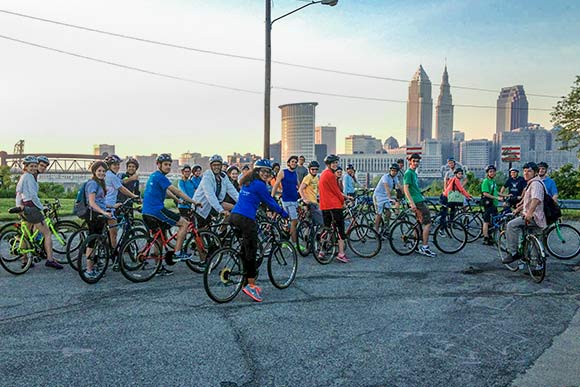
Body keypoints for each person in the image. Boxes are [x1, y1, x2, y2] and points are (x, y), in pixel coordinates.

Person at [230, 159, 289, 302]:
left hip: (234, 216)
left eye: (268, 172)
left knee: (245, 249)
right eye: (262, 171)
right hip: (246, 219)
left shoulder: (247, 181)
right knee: (251, 251)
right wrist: (283, 213)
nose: (265, 174)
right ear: (257, 171)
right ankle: (251, 286)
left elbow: (255, 201)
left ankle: (243, 278)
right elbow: (269, 201)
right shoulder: (259, 185)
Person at [142, 154, 201, 266]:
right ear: (158, 165)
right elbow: (177, 192)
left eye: (169, 164)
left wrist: (177, 201)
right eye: (165, 164)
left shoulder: (154, 176)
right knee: (184, 223)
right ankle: (177, 253)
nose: (168, 167)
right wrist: (193, 202)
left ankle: (157, 267)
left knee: (159, 239)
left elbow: (167, 191)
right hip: (156, 210)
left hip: (146, 211)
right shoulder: (161, 177)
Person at [15, 156, 63, 269]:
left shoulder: (25, 176)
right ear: (26, 167)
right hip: (32, 208)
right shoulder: (30, 177)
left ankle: (25, 260)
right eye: (33, 166)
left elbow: (18, 191)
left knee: (26, 234)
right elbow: (32, 195)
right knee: (47, 233)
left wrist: (19, 206)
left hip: (25, 207)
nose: (35, 168)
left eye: (35, 166)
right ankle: (50, 260)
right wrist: (41, 207)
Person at [502, 162, 547, 264]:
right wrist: (519, 209)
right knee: (534, 240)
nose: (526, 173)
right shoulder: (533, 183)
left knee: (511, 225)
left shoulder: (535, 184)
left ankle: (513, 253)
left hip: (533, 217)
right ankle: (535, 266)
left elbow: (536, 199)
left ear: (535, 173)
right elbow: (530, 201)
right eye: (525, 171)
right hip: (538, 218)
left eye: (529, 171)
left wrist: (529, 213)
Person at [104, 155, 140, 261]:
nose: (117, 166)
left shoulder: (135, 180)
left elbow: (136, 192)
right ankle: (115, 256)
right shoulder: (118, 175)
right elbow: (121, 187)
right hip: (114, 205)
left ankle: (119, 250)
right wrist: (133, 194)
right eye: (115, 165)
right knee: (113, 232)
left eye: (118, 165)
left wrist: (137, 198)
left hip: (121, 205)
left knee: (116, 230)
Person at [83, 161, 113, 278]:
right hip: (94, 215)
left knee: (97, 240)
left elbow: (100, 202)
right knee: (92, 242)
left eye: (103, 171)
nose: (101, 173)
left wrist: (111, 207)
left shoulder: (100, 183)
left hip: (100, 215)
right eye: (99, 171)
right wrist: (103, 212)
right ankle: (89, 270)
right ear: (94, 171)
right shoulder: (92, 183)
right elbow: (92, 203)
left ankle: (95, 265)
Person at [319, 155, 351, 263]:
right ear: (328, 164)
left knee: (326, 228)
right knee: (340, 231)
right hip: (334, 206)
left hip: (325, 205)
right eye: (333, 163)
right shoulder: (331, 175)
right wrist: (343, 200)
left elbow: (329, 190)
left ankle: (322, 251)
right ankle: (341, 254)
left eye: (336, 163)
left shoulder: (323, 174)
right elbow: (336, 191)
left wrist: (344, 197)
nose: (335, 164)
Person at [193, 154, 239, 228]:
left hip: (215, 203)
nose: (216, 167)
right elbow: (210, 195)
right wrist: (221, 210)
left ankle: (220, 232)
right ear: (211, 166)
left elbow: (232, 191)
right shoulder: (207, 177)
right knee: (203, 231)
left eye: (218, 165)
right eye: (214, 165)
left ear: (221, 165)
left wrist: (243, 203)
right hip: (202, 206)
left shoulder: (223, 176)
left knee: (235, 209)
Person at [403, 153, 436, 257]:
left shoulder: (414, 173)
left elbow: (414, 189)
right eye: (414, 161)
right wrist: (411, 203)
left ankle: (415, 244)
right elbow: (406, 188)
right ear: (410, 162)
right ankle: (424, 247)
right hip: (416, 202)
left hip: (418, 199)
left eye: (417, 161)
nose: (416, 163)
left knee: (418, 223)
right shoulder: (408, 173)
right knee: (428, 223)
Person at [271, 155, 300, 243]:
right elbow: (276, 184)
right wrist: (272, 196)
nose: (294, 163)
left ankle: (285, 239)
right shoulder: (283, 172)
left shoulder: (295, 173)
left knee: (289, 222)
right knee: (294, 221)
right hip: (287, 200)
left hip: (294, 199)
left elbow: (299, 185)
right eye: (292, 162)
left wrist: (303, 195)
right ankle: (293, 243)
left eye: (295, 162)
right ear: (288, 163)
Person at [481, 164, 506, 245]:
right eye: (490, 172)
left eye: (493, 172)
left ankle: (490, 235)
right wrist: (496, 198)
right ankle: (486, 237)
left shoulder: (493, 181)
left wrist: (506, 195)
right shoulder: (486, 181)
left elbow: (496, 192)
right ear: (487, 173)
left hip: (493, 204)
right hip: (488, 204)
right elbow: (485, 193)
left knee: (494, 220)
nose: (492, 173)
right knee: (486, 221)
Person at [373, 164, 400, 234]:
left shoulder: (395, 178)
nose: (394, 172)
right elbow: (387, 188)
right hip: (378, 196)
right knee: (379, 214)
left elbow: (400, 186)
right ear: (390, 170)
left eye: (396, 171)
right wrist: (390, 198)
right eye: (393, 170)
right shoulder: (385, 177)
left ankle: (386, 228)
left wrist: (406, 194)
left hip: (386, 196)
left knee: (388, 212)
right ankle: (376, 230)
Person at [298, 160, 323, 226]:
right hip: (310, 202)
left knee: (313, 223)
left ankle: (310, 235)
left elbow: (318, 189)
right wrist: (304, 199)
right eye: (312, 169)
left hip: (315, 201)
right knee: (321, 221)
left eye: (316, 169)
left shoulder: (316, 178)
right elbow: (300, 189)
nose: (314, 171)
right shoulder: (308, 177)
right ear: (309, 169)